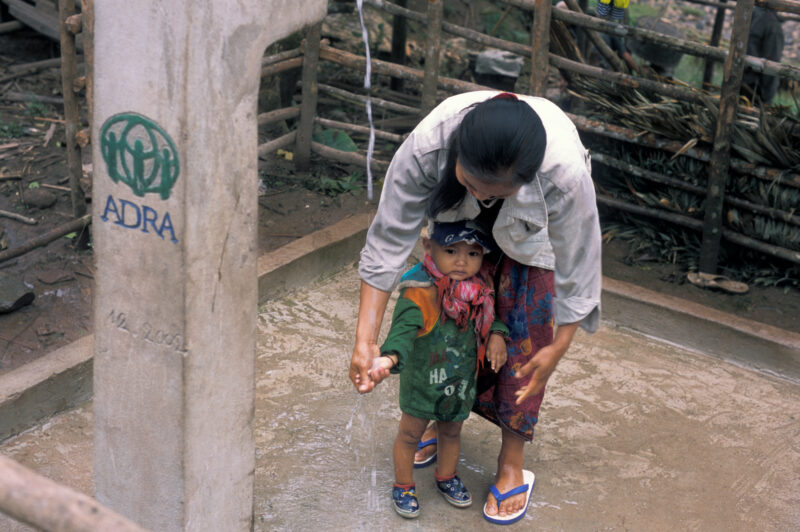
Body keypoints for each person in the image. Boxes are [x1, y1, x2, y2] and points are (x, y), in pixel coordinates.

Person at [349, 90, 602, 525]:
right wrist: (365, 339)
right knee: (450, 321)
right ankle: (442, 413)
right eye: (472, 184)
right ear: (459, 156)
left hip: (532, 233)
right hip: (455, 218)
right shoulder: (429, 147)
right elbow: (388, 241)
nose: (484, 198)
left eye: (495, 192)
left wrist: (559, 346)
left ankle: (511, 461)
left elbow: (580, 265)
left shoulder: (564, 177)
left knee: (524, 340)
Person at [369, 220, 510, 519]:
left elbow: (491, 317)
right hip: (423, 383)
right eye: (451, 250)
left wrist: (497, 333)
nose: (462, 261)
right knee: (410, 434)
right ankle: (403, 485)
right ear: (428, 247)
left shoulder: (479, 289)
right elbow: (403, 329)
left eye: (473, 253)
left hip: (458, 384)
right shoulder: (419, 290)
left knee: (452, 431)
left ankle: (446, 476)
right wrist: (389, 358)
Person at [741, 6, 784, 104]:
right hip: (754, 86)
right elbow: (773, 62)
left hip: (744, 80)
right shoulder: (772, 24)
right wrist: (767, 97)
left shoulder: (751, 13)